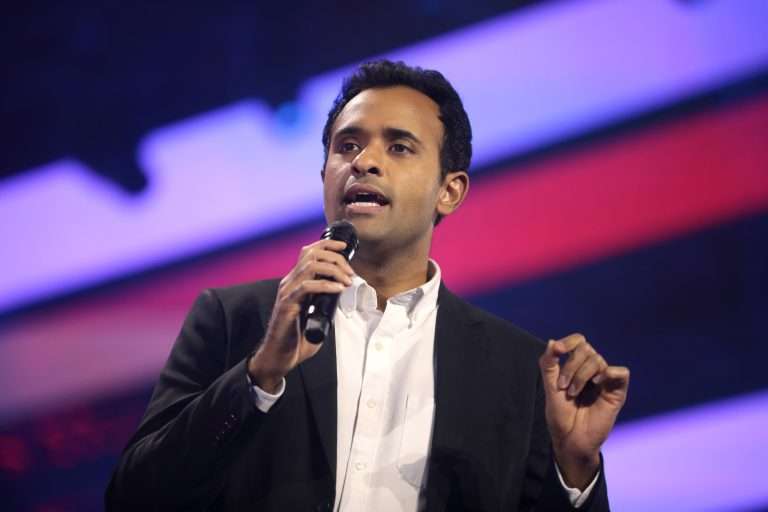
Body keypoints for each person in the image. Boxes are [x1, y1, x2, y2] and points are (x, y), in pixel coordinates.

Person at [105, 60, 629, 511]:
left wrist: (575, 470)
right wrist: (259, 376)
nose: (364, 161)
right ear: (325, 176)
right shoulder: (236, 319)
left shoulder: (519, 369)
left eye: (399, 147)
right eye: (347, 145)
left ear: (449, 191)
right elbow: (134, 498)